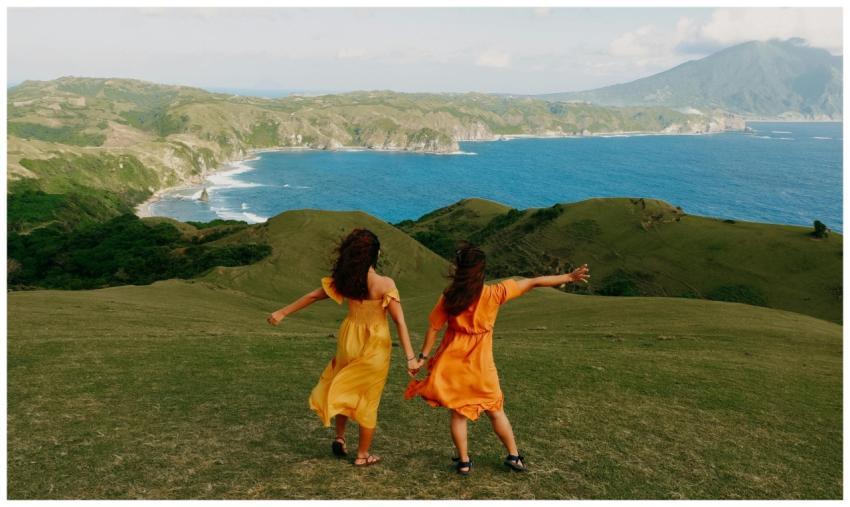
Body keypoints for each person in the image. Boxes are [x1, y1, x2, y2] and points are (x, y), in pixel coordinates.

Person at [405, 243, 590, 475]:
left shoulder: (450, 296)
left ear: (459, 270)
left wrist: (422, 357)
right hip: (481, 365)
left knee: (458, 413)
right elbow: (533, 282)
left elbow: (433, 327)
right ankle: (514, 457)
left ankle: (463, 462)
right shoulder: (494, 293)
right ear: (481, 272)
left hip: (453, 363)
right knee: (495, 409)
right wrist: (569, 277)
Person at [267, 228, 419, 467]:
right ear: (375, 255)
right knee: (368, 399)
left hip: (349, 339)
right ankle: (362, 455)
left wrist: (282, 312)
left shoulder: (347, 280)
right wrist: (410, 357)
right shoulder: (384, 284)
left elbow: (313, 296)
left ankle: (340, 437)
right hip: (374, 345)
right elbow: (399, 321)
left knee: (343, 383)